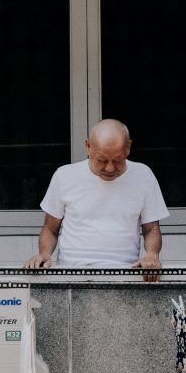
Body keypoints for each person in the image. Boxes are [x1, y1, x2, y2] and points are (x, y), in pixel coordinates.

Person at [23, 119, 168, 278]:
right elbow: (50, 228)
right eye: (102, 160)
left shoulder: (143, 175)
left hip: (126, 273)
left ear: (128, 147)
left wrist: (152, 255)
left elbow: (151, 228)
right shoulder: (64, 176)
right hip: (72, 273)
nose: (110, 168)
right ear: (87, 146)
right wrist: (44, 254)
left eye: (118, 160)